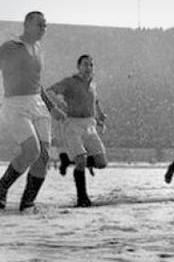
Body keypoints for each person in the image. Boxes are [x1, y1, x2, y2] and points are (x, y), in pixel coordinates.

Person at [0, 11, 66, 211]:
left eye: (45, 25)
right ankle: (1, 188)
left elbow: (37, 84)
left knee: (43, 157)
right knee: (31, 151)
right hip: (15, 105)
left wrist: (51, 106)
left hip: (38, 104)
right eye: (39, 24)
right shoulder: (10, 47)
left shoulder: (39, 49)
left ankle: (27, 203)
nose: (43, 29)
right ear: (27, 24)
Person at [47, 54, 109, 207]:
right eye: (85, 64)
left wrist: (100, 115)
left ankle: (69, 160)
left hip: (90, 125)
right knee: (81, 160)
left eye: (91, 65)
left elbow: (95, 100)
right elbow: (49, 91)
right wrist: (58, 103)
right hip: (72, 124)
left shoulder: (93, 84)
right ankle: (82, 198)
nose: (88, 68)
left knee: (101, 163)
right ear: (78, 67)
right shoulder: (70, 82)